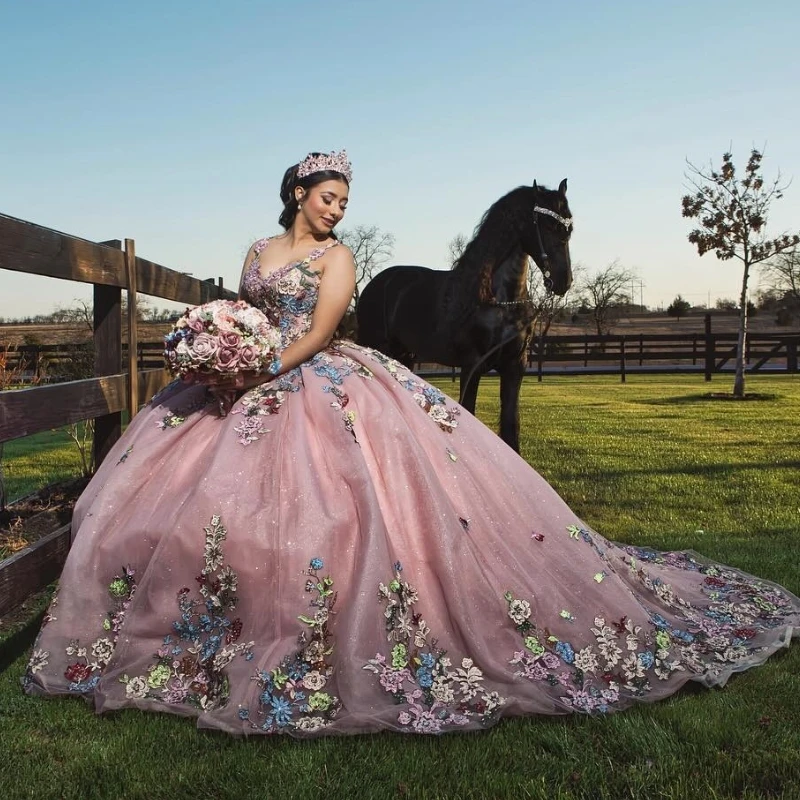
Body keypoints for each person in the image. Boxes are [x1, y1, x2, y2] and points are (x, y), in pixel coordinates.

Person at [23, 150, 800, 736]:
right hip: (241, 372)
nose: (337, 211)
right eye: (329, 198)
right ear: (299, 193)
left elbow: (321, 329)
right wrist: (218, 350)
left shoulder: (340, 257)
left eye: (346, 202)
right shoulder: (259, 252)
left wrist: (258, 366)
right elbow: (249, 307)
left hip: (306, 373)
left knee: (338, 505)